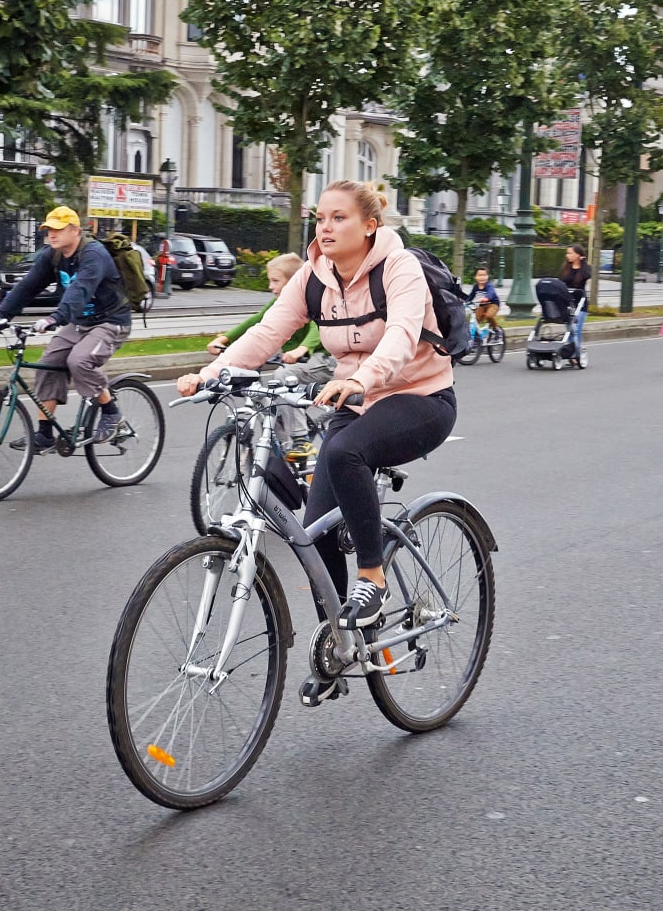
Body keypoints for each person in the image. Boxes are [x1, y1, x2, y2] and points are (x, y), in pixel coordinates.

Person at [176, 180, 456, 633]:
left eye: (338, 218)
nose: (325, 227)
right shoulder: (313, 277)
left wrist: (363, 377)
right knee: (316, 527)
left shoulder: (399, 268)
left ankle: (372, 578)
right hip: (357, 399)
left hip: (420, 398)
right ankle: (341, 638)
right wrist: (210, 375)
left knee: (347, 453)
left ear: (369, 225)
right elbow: (268, 332)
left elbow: (403, 334)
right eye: (320, 218)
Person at [0, 206, 132, 447]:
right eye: (48, 230)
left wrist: (55, 318)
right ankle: (44, 434)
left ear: (75, 230)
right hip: (80, 322)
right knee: (48, 363)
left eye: (58, 229)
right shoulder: (52, 255)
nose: (51, 235)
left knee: (79, 361)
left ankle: (111, 414)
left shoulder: (93, 254)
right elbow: (28, 286)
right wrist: (1, 313)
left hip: (110, 321)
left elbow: (80, 290)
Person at [207, 252, 332, 388]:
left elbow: (317, 327)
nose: (270, 286)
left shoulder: (311, 299)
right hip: (296, 360)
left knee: (282, 376)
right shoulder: (278, 302)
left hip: (323, 358)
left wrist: (302, 349)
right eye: (270, 281)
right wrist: (224, 339)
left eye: (275, 281)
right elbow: (258, 320)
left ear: (294, 282)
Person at [560, 245, 593, 364]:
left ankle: (575, 355)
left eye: (570, 253)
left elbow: (587, 276)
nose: (567, 255)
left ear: (578, 255)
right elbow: (561, 282)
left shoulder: (585, 269)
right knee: (569, 329)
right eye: (567, 253)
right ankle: (570, 351)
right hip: (568, 302)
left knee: (576, 329)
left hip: (580, 303)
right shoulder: (565, 268)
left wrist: (583, 262)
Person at [466, 268, 502, 333]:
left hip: (493, 304)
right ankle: (476, 333)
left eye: (484, 275)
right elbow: (471, 295)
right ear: (475, 277)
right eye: (479, 275)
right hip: (482, 305)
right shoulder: (476, 286)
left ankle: (496, 328)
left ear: (487, 276)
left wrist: (486, 298)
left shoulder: (489, 286)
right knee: (475, 318)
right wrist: (465, 301)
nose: (482, 277)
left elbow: (491, 293)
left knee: (489, 316)